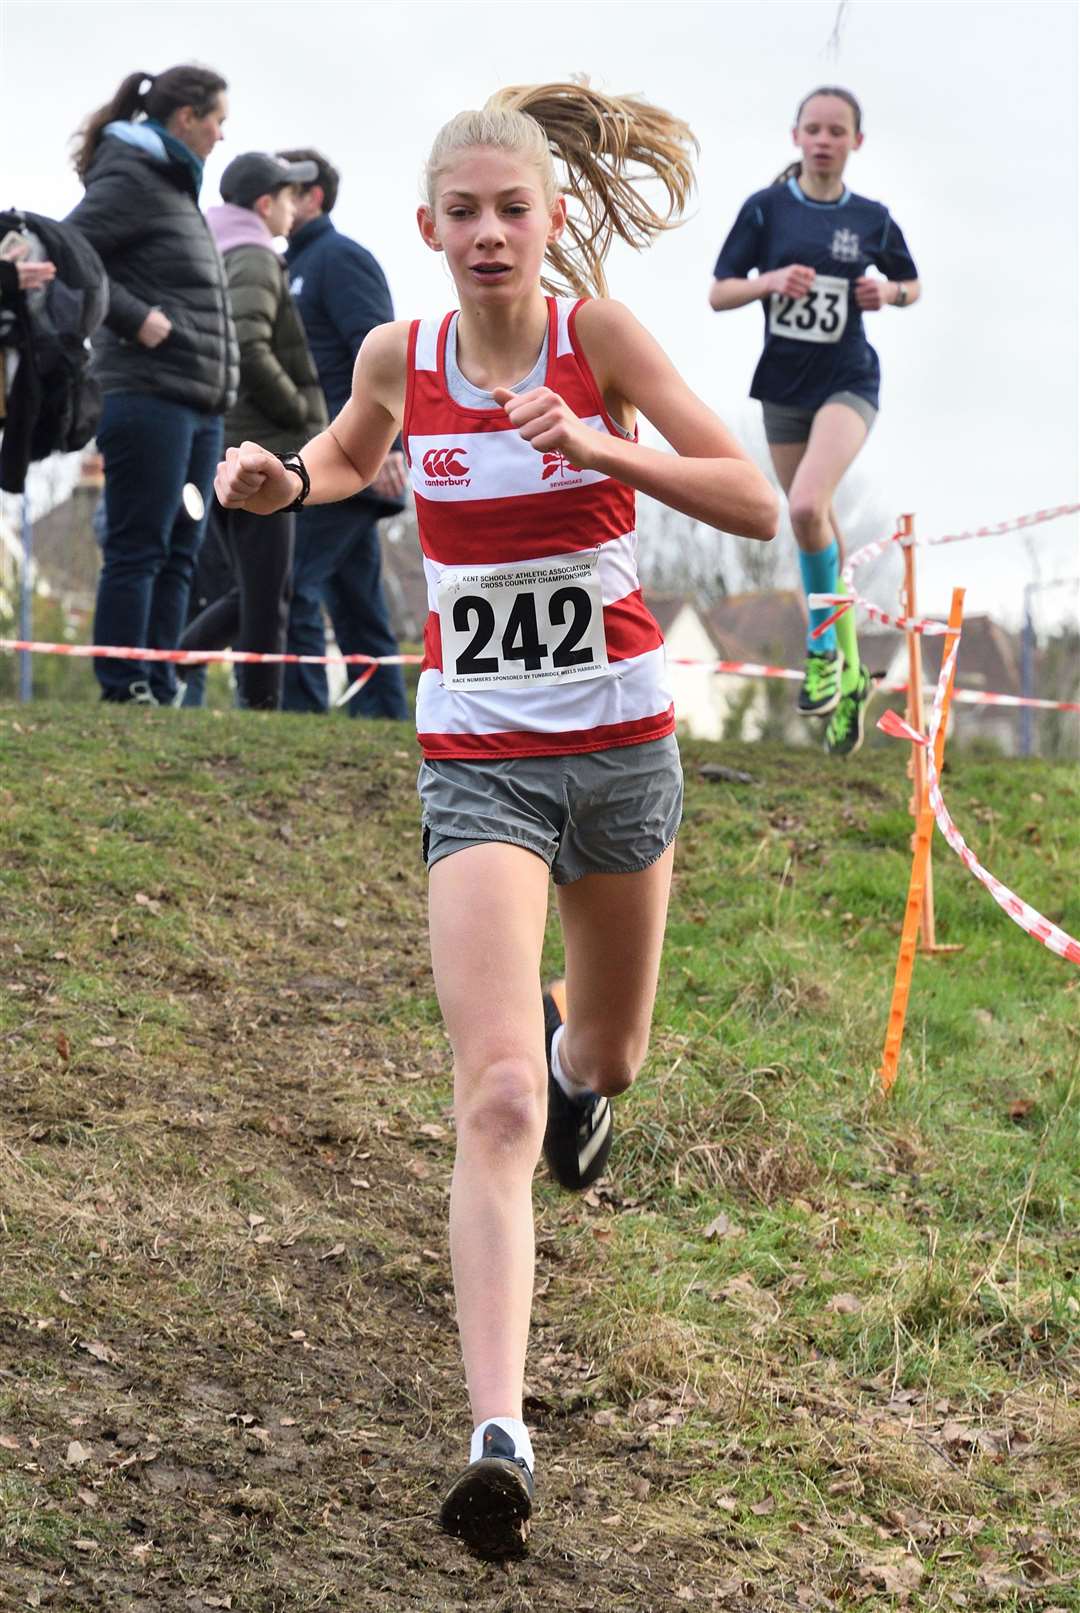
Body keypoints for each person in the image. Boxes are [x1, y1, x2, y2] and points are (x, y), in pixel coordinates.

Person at [215, 82, 777, 1556]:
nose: (485, 234)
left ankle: (582, 1071)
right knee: (497, 1099)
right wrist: (290, 483)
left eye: (509, 210)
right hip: (479, 761)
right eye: (459, 213)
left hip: (625, 750)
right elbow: (352, 449)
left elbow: (753, 498)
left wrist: (608, 454)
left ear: (549, 224)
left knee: (599, 1055)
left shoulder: (601, 341)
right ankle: (499, 1431)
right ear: (427, 230)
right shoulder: (403, 352)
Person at [709, 86, 920, 756]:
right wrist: (768, 283)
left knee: (805, 505)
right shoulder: (766, 210)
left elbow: (912, 283)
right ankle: (852, 671)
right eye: (814, 129)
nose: (824, 140)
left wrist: (886, 291)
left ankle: (823, 649)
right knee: (814, 526)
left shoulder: (871, 217)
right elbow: (719, 291)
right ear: (795, 136)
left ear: (857, 142)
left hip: (848, 381)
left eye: (838, 131)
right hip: (784, 389)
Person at [66, 65, 237, 705]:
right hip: (146, 394)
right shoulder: (130, 175)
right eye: (217, 119)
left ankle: (160, 683)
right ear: (186, 117)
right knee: (140, 544)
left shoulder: (174, 185)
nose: (222, 135)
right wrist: (135, 318)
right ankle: (123, 682)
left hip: (197, 401)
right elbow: (67, 252)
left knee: (180, 550)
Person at [180, 153, 328, 710]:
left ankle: (180, 662)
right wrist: (297, 411)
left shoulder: (210, 247)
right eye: (289, 198)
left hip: (223, 436)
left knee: (256, 586)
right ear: (266, 204)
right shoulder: (255, 257)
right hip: (260, 442)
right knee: (268, 591)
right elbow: (248, 345)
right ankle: (257, 704)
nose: (294, 210)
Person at [274, 147, 409, 719]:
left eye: (288, 189)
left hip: (347, 458)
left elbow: (378, 351)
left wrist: (390, 447)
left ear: (314, 197)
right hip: (318, 457)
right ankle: (381, 718)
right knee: (355, 602)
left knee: (294, 584)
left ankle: (298, 715)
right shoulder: (288, 266)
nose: (276, 199)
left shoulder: (340, 259)